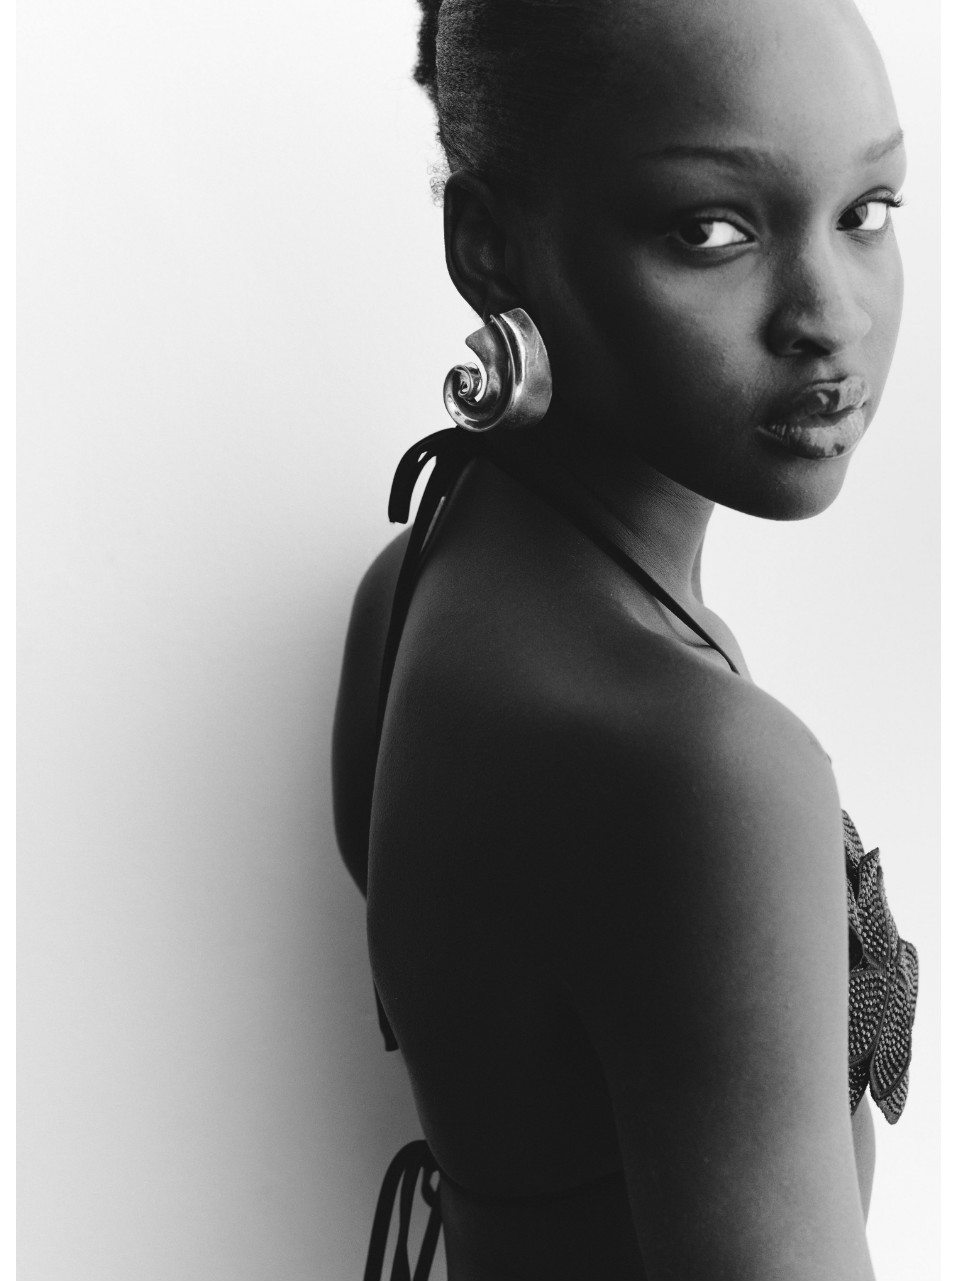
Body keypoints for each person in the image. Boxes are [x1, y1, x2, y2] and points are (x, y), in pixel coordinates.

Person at [332, 0, 919, 1276]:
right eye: (711, 230)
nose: (829, 316)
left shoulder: (419, 579)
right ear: (491, 249)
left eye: (867, 210)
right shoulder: (703, 764)